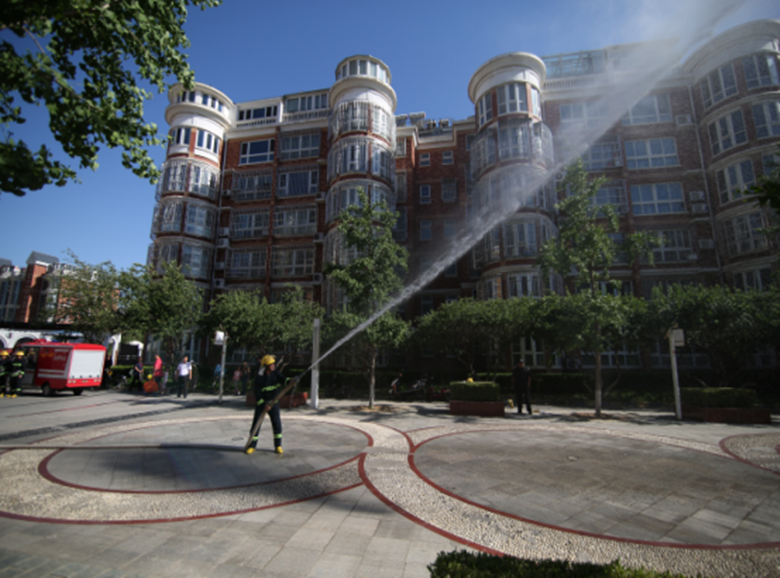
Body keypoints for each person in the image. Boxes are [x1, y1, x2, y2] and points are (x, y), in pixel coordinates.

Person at [246, 354, 295, 455]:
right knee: (256, 424)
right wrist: (264, 404)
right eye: (271, 364)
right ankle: (252, 446)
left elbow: (283, 379)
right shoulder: (259, 378)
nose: (273, 366)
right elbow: (257, 394)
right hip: (262, 404)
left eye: (273, 364)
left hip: (273, 403)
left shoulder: (275, 373)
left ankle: (278, 446)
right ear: (265, 366)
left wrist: (290, 381)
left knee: (276, 423)